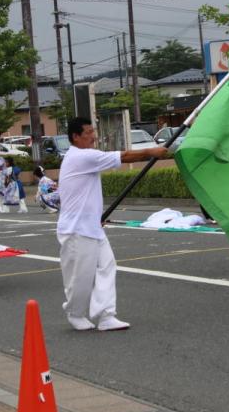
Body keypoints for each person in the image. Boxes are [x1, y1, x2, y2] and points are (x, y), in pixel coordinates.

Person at [56, 116, 169, 332]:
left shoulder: (84, 156)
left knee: (107, 266)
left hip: (92, 226)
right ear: (76, 136)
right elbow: (124, 156)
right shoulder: (80, 156)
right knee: (80, 277)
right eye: (88, 133)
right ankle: (75, 313)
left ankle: (106, 315)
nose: (94, 136)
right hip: (76, 230)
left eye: (93, 131)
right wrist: (151, 152)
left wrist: (97, 216)